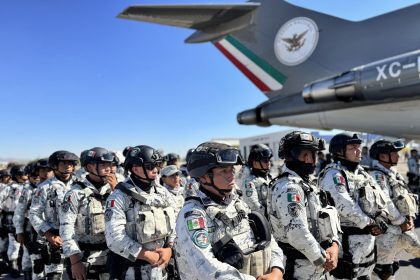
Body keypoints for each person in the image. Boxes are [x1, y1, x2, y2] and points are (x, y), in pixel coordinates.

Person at [175, 142, 284, 280]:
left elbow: (268, 240)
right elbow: (206, 269)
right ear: (203, 177)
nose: (231, 175)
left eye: (232, 170)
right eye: (223, 171)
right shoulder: (193, 215)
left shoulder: (238, 203)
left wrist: (277, 270)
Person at [268, 131, 340, 279]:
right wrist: (323, 259)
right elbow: (297, 233)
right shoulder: (289, 188)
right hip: (301, 268)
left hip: (318, 264)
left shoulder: (308, 183)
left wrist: (334, 245)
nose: (312, 159)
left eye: (313, 154)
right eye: (307, 154)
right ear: (291, 156)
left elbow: (326, 217)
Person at [318, 133, 388, 280]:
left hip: (368, 242)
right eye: (353, 147)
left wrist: (382, 216)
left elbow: (381, 198)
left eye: (359, 146)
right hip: (347, 244)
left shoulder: (363, 174)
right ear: (339, 151)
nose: (359, 150)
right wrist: (371, 223)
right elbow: (345, 205)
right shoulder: (334, 174)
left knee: (366, 275)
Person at [104, 145, 176, 280]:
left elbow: (175, 224)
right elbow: (114, 238)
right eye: (150, 166)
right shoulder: (119, 197)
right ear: (135, 168)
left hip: (162, 269)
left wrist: (169, 248)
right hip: (132, 271)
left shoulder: (163, 193)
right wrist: (147, 255)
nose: (156, 170)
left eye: (157, 165)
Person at [60, 147, 115, 280]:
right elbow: (66, 229)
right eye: (103, 164)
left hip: (111, 257)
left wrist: (117, 191)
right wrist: (75, 262)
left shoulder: (115, 191)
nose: (108, 168)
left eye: (110, 164)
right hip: (85, 258)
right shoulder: (75, 194)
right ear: (89, 166)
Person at [369, 139, 420, 279]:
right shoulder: (377, 176)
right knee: (382, 271)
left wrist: (409, 218)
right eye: (394, 153)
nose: (398, 156)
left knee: (392, 268)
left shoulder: (392, 173)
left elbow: (404, 197)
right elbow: (385, 203)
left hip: (399, 230)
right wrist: (402, 221)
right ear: (383, 156)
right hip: (386, 233)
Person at [29, 150, 79, 280]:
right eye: (63, 163)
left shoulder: (80, 185)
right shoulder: (44, 188)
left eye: (70, 163)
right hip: (55, 240)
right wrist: (48, 234)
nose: (68, 166)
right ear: (55, 166)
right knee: (54, 276)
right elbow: (34, 214)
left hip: (78, 240)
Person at [13, 162, 41, 280]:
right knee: (30, 255)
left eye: (39, 176)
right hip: (30, 227)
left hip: (45, 227)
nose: (37, 179)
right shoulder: (26, 191)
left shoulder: (48, 187)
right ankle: (27, 274)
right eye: (34, 177)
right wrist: (19, 231)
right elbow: (18, 212)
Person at [0, 165, 28, 278]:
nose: (26, 177)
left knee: (23, 243)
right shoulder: (9, 188)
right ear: (17, 176)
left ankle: (19, 263)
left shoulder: (26, 187)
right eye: (24, 174)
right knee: (14, 242)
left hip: (23, 218)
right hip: (11, 218)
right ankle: (13, 265)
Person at [240, 144, 273, 216]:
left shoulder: (270, 178)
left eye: (269, 160)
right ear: (255, 163)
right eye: (265, 161)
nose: (269, 163)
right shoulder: (249, 182)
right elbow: (253, 205)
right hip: (263, 222)